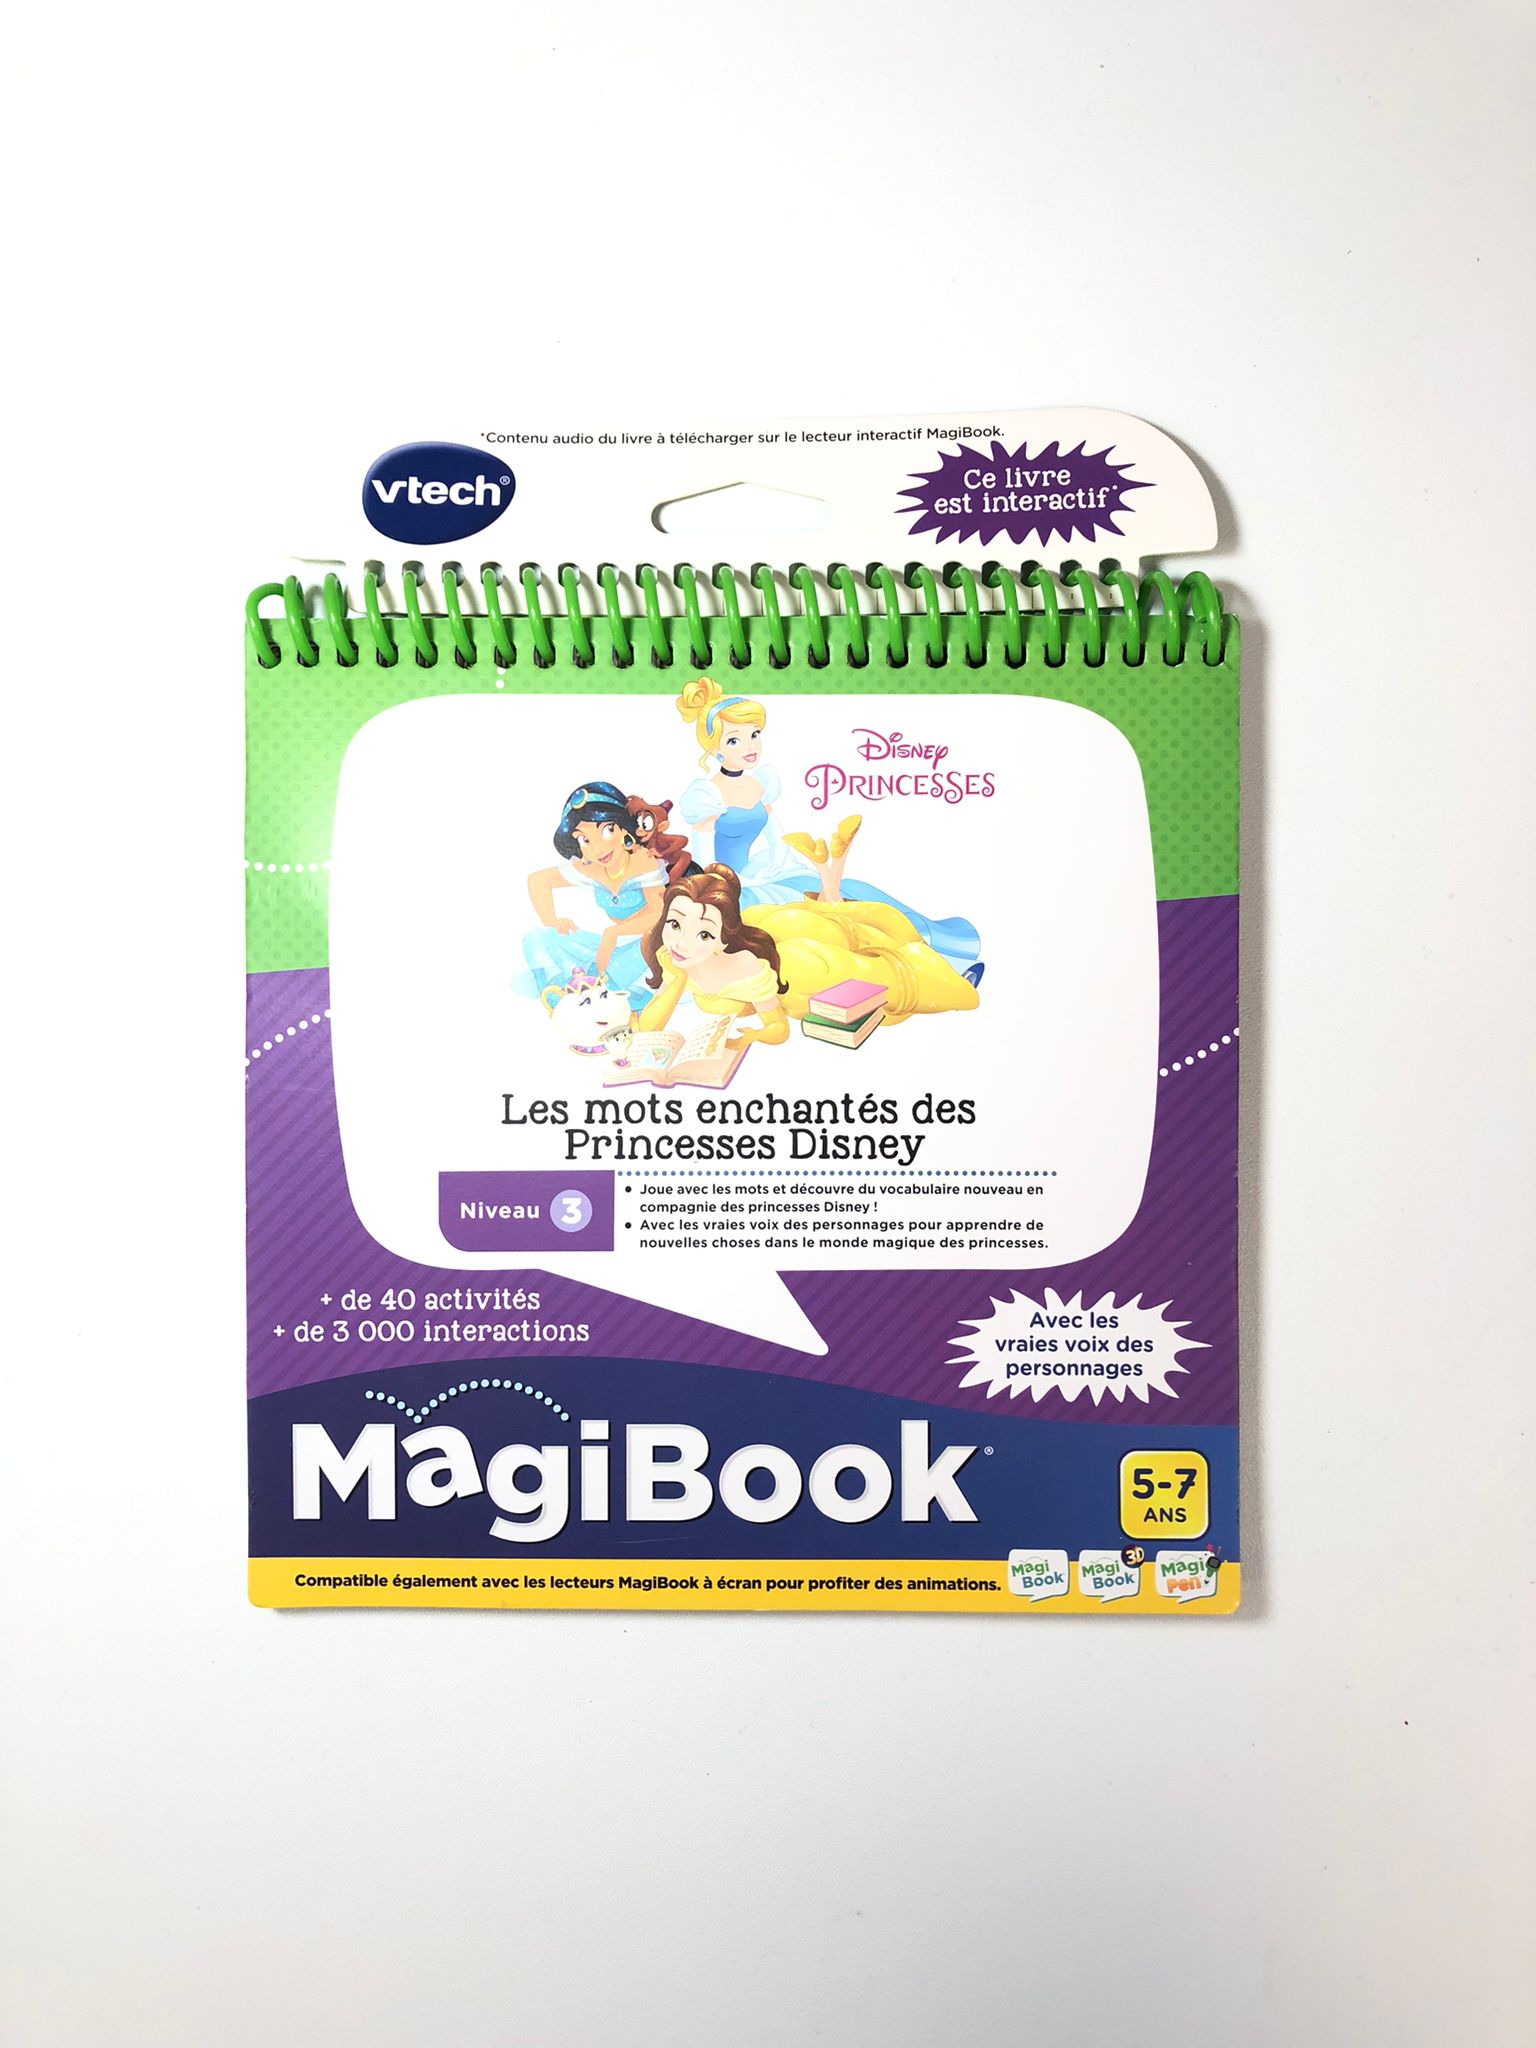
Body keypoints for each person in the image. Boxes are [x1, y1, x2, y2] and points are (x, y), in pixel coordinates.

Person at [671, 676, 982, 981]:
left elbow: (778, 839)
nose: (750, 746)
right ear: (715, 748)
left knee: (855, 894)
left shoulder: (760, 784)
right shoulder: (707, 795)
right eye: (734, 740)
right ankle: (922, 975)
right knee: (825, 923)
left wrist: (784, 863)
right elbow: (706, 860)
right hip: (734, 888)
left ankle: (947, 957)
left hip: (770, 871)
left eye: (755, 734)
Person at [637, 856, 979, 1049]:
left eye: (703, 934)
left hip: (798, 968)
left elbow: (778, 1028)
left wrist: (752, 1038)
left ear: (721, 940)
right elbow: (649, 1027)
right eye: (675, 924)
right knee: (835, 932)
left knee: (886, 976)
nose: (681, 942)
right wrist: (675, 981)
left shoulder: (747, 970)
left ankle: (950, 978)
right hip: (771, 931)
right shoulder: (675, 957)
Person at [522, 783, 668, 1001]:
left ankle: (603, 990)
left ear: (623, 827)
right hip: (609, 946)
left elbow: (659, 915)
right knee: (536, 938)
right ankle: (562, 992)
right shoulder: (590, 865)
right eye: (585, 839)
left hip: (647, 944)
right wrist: (553, 921)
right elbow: (538, 880)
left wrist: (615, 933)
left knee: (636, 955)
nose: (597, 849)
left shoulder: (643, 860)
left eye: (607, 830)